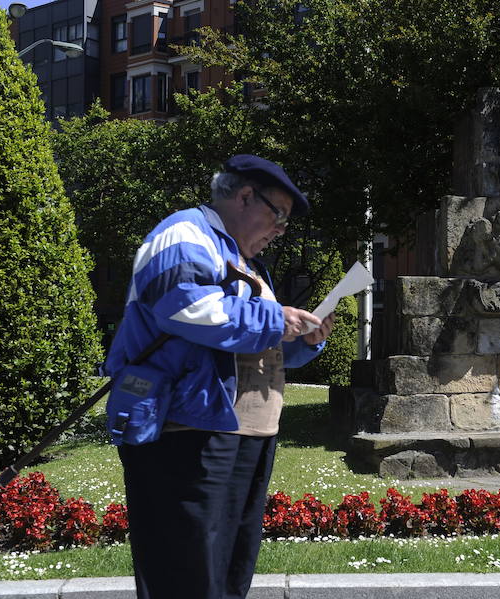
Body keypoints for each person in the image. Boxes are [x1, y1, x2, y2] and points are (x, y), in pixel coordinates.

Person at [104, 155, 334, 599]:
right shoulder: (185, 234)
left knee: (228, 567)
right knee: (186, 567)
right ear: (245, 195)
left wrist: (303, 341)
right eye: (279, 215)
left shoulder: (242, 259)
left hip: (242, 432)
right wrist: (274, 318)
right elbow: (185, 307)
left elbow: (252, 341)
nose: (281, 230)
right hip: (188, 429)